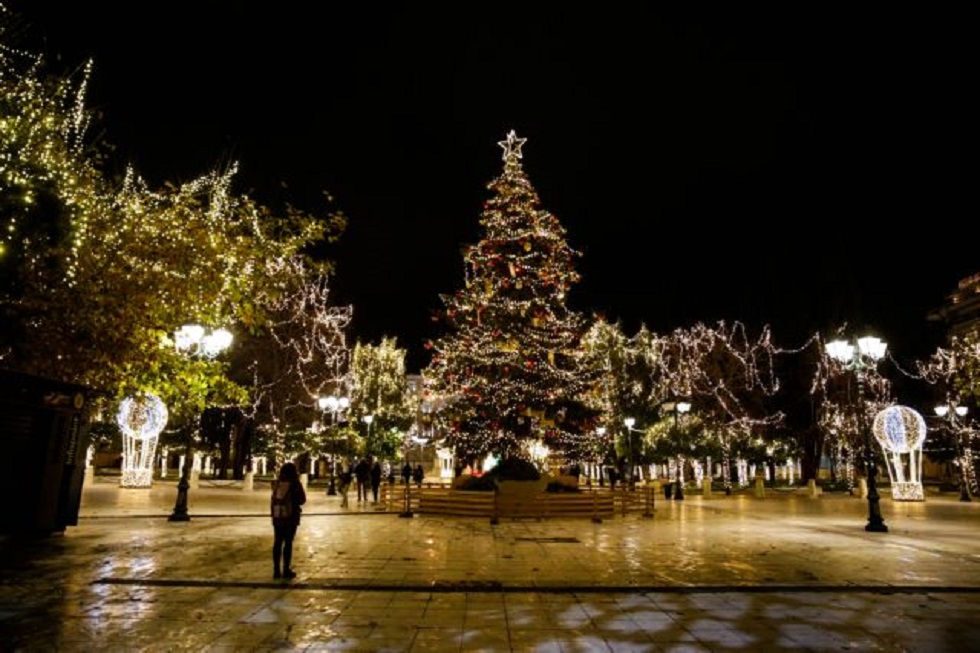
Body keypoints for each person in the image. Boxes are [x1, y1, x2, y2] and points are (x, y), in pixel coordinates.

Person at [270, 461, 306, 580]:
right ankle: (286, 569)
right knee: (288, 543)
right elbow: (302, 500)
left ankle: (276, 570)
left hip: (277, 515)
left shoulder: (277, 483)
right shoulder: (295, 484)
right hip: (291, 517)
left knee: (277, 542)